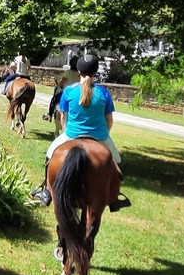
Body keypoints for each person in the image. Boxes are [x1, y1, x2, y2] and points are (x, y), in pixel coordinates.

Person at [31, 54, 130, 210]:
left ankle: (47, 190)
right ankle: (114, 197)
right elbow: (109, 120)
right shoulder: (104, 93)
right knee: (116, 161)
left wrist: (66, 133)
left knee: (50, 154)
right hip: (100, 137)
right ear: (95, 72)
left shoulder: (69, 91)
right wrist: (104, 135)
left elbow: (63, 117)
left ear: (78, 71)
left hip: (72, 134)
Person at [43, 55, 80, 121]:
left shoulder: (68, 72)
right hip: (76, 93)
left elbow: (61, 83)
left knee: (53, 100)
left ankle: (50, 115)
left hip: (67, 93)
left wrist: (60, 86)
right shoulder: (78, 74)